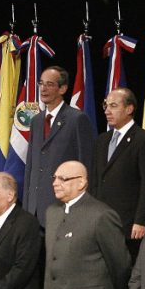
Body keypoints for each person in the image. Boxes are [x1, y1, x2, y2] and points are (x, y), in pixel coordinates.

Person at [44, 161, 130, 289]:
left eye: (63, 179)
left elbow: (120, 266)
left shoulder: (102, 215)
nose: (55, 183)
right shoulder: (52, 212)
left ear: (81, 182)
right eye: (55, 178)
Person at [90, 87, 145, 249]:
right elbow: (95, 180)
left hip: (129, 227)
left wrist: (141, 220)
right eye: (106, 105)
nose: (107, 111)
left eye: (113, 106)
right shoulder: (102, 140)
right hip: (100, 223)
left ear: (129, 109)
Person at [24, 66, 96, 227]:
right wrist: (27, 205)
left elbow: (86, 166)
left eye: (49, 84)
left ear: (62, 89)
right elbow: (31, 166)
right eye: (41, 83)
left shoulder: (77, 119)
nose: (43, 88)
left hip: (63, 208)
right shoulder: (36, 121)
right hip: (34, 211)